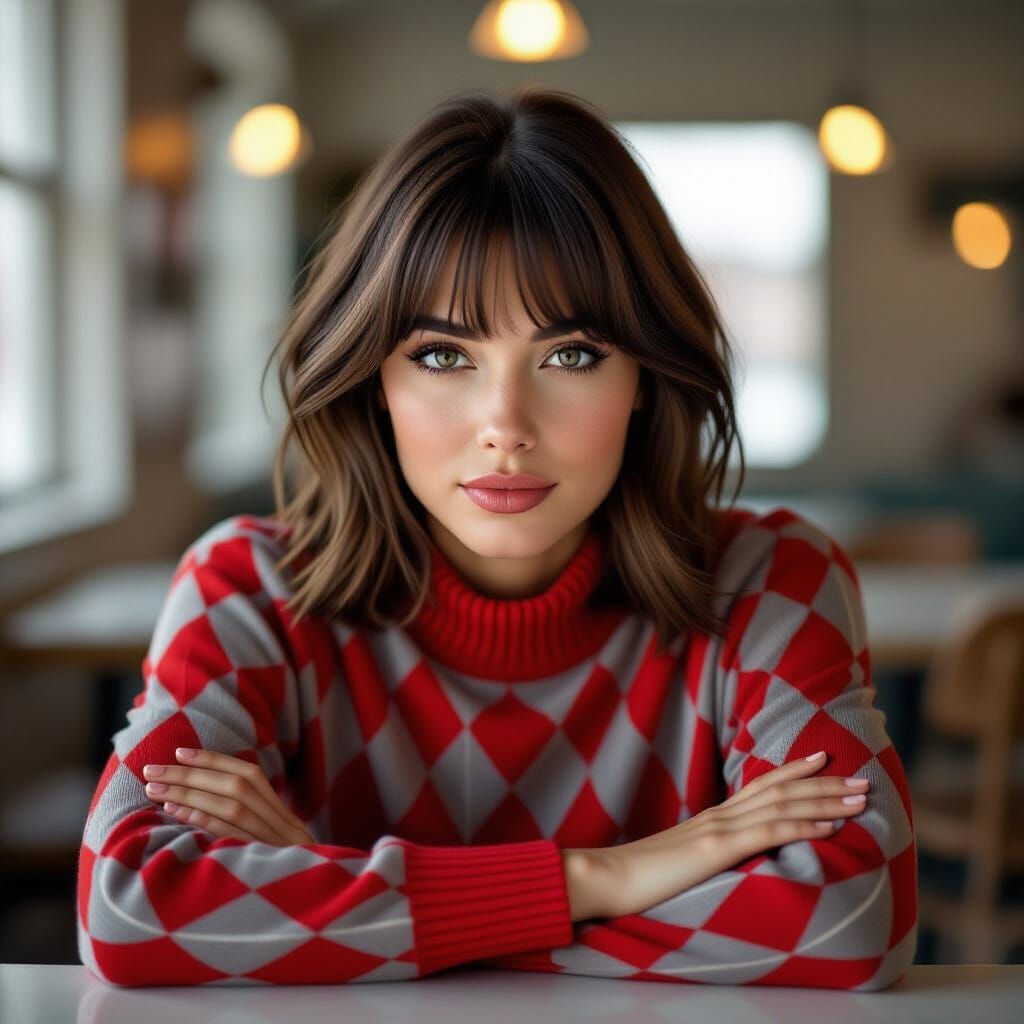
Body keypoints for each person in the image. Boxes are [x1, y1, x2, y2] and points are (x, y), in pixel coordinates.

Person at [76, 86, 917, 989]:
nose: (505, 425)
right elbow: (130, 912)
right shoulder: (245, 587)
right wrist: (606, 876)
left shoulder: (772, 581)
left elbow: (854, 916)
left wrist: (338, 887)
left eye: (572, 355)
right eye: (444, 356)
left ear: (645, 377)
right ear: (373, 381)